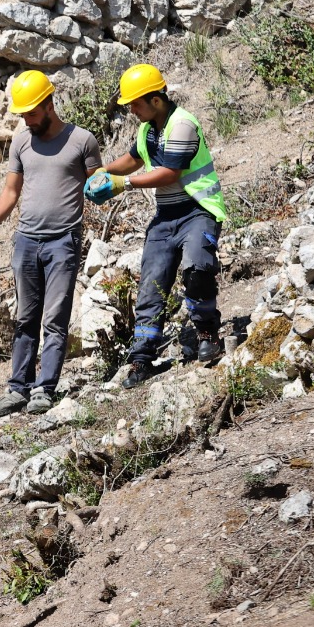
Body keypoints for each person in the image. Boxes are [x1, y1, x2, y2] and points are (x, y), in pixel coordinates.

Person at [0, 71, 103, 419]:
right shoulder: (21, 142)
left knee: (55, 318)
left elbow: (99, 184)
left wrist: (107, 187)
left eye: (31, 113)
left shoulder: (82, 141)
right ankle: (18, 389)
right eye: (22, 115)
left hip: (64, 240)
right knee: (25, 318)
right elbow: (11, 192)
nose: (26, 120)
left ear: (48, 104)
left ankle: (45, 389)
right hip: (26, 241)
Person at [86, 63, 228, 388]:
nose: (132, 110)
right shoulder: (148, 128)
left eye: (135, 103)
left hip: (198, 210)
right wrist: (103, 172)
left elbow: (169, 173)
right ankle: (141, 359)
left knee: (197, 268)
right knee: (151, 286)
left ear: (155, 99)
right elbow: (134, 158)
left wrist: (122, 184)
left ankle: (207, 333)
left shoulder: (183, 125)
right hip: (165, 217)